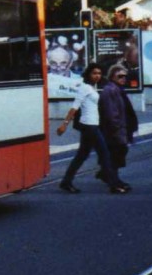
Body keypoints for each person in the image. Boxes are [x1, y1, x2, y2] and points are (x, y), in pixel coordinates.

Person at [55, 62, 128, 194]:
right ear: (88, 74)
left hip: (92, 125)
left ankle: (66, 182)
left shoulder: (91, 87)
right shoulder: (84, 88)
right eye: (94, 73)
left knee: (81, 155)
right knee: (104, 154)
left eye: (99, 73)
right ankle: (114, 184)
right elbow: (74, 107)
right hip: (89, 126)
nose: (97, 76)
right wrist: (64, 124)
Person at [97, 64, 138, 186]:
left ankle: (107, 174)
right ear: (112, 77)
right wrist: (116, 128)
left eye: (125, 76)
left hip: (120, 128)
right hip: (114, 130)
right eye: (120, 76)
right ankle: (113, 180)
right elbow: (111, 113)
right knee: (116, 153)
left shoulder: (118, 89)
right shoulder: (111, 90)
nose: (123, 79)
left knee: (118, 153)